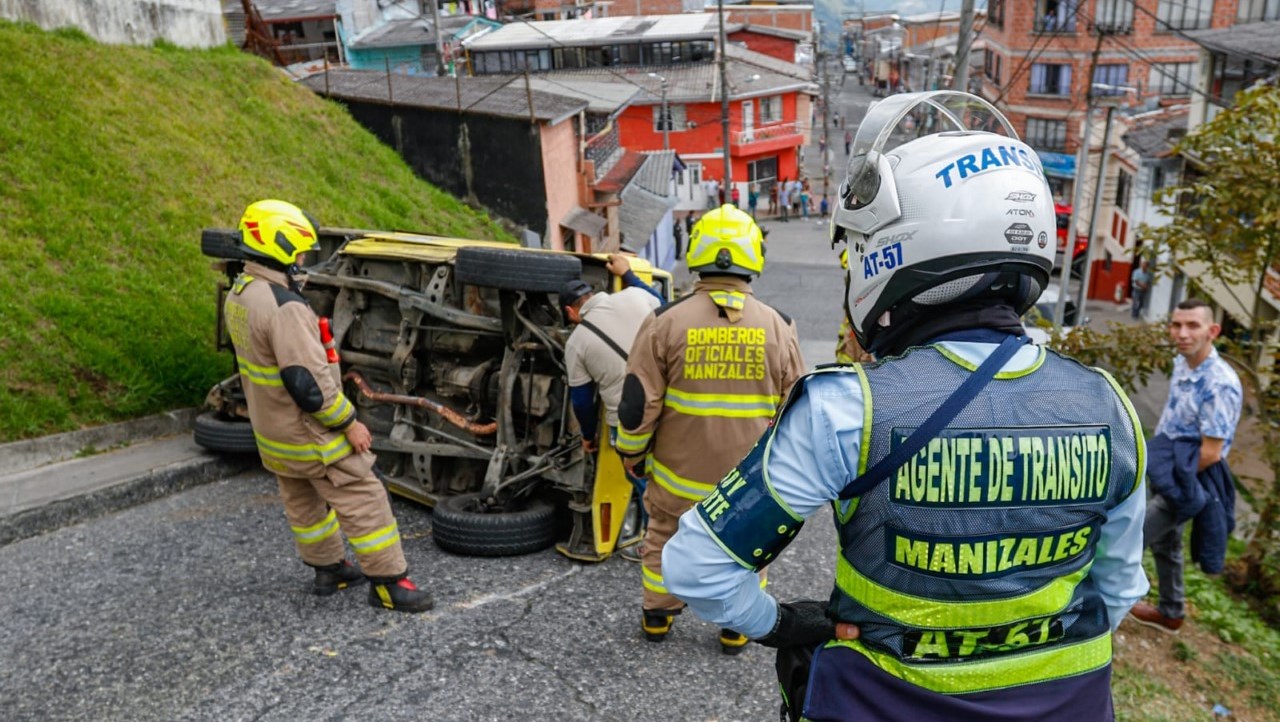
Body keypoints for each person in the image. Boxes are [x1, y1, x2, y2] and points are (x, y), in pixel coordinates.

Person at [663, 92, 1149, 720]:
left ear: (895, 250)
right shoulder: (1110, 407)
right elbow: (1117, 590)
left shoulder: (848, 409)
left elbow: (699, 567)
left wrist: (780, 622)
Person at [223, 200, 434, 613]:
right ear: (280, 248)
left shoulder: (241, 292)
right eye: (299, 251)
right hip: (310, 433)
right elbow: (309, 386)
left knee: (303, 503)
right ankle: (390, 584)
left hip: (272, 432)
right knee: (365, 495)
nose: (303, 259)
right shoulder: (285, 308)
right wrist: (350, 423)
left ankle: (329, 571)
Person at [615, 203, 804, 655]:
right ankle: (737, 627)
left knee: (663, 537)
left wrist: (631, 452)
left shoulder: (665, 321)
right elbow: (796, 408)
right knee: (747, 545)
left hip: (678, 481)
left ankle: (658, 616)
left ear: (698, 252)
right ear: (752, 257)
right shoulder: (779, 326)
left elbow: (638, 402)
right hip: (748, 486)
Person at [1129, 299, 1242, 634]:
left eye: (1192, 325)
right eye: (1176, 325)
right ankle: (1171, 612)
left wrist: (1170, 483)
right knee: (1166, 543)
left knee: (1131, 537)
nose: (1182, 333)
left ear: (1213, 331)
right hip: (1166, 464)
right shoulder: (1185, 362)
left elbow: (1211, 452)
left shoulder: (1219, 383)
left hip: (1186, 478)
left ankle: (1094, 607)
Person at [561, 254, 664, 562]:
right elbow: (664, 303)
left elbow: (581, 400)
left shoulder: (576, 342)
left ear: (570, 311)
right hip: (668, 405)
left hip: (628, 420)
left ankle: (653, 545)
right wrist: (629, 274)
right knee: (671, 474)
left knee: (642, 480)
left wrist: (589, 437)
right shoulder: (634, 296)